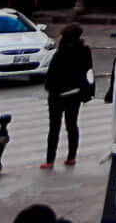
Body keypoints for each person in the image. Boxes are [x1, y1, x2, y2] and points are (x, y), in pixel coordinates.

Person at [38, 24, 94, 170]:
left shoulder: (60, 53)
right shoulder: (84, 51)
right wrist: (87, 92)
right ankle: (71, 157)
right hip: (75, 94)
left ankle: (50, 160)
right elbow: (88, 71)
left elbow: (52, 75)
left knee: (54, 128)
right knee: (72, 126)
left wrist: (49, 89)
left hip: (57, 95)